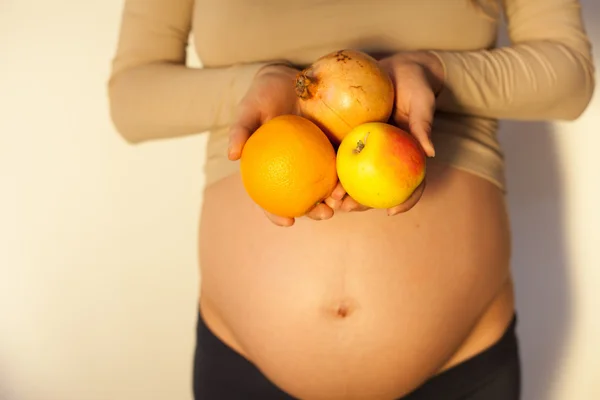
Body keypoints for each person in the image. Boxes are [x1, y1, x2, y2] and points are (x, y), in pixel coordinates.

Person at [107, 0, 595, 398]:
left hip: (461, 366)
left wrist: (434, 72)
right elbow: (131, 98)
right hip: (243, 364)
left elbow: (571, 77)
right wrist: (259, 83)